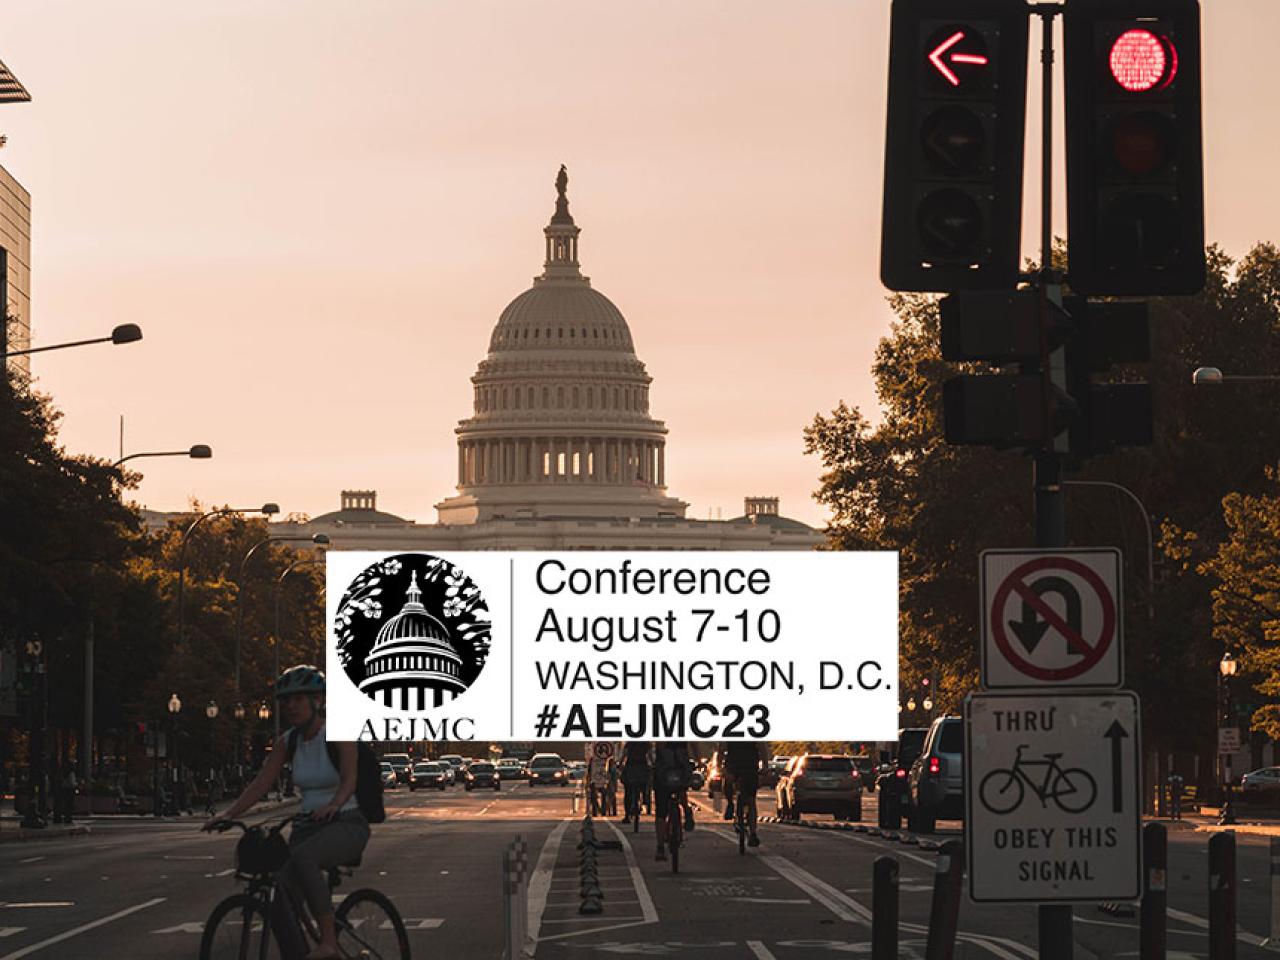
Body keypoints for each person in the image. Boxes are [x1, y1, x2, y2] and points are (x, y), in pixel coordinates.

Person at [205, 665, 368, 960]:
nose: (290, 706)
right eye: (286, 700)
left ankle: (329, 943)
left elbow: (349, 779)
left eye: (299, 699)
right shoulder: (288, 741)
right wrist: (229, 814)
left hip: (346, 822)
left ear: (318, 701)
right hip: (307, 826)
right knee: (278, 893)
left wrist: (334, 805)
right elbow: (261, 783)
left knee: (304, 859)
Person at [652, 742, 698, 861]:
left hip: (664, 771)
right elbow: (693, 745)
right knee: (681, 791)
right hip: (680, 768)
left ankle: (660, 847)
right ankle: (687, 812)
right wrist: (697, 760)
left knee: (661, 812)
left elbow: (656, 747)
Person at [721, 741, 768, 847]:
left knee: (751, 800)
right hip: (739, 767)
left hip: (748, 767)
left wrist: (765, 766)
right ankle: (730, 804)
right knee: (728, 782)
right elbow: (722, 748)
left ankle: (753, 833)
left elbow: (762, 747)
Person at [620, 742, 651, 824]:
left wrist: (620, 764)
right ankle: (645, 797)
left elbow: (624, 755)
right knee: (645, 782)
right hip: (642, 767)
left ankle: (627, 815)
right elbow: (650, 755)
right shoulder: (645, 744)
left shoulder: (629, 744)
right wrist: (652, 764)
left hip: (630, 767)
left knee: (628, 791)